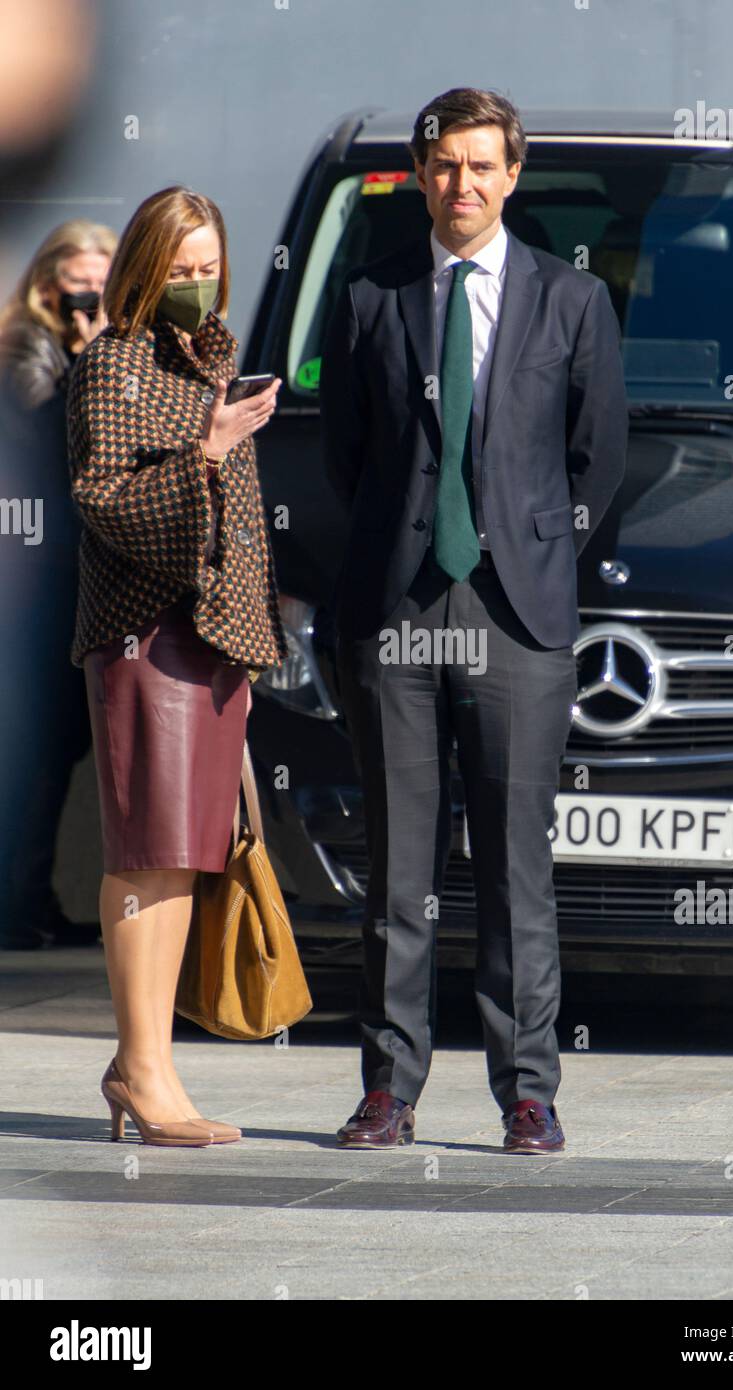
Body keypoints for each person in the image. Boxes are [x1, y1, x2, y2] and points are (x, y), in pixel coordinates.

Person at [320, 88, 628, 1153]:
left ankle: (527, 1092)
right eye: (443, 165)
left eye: (480, 165)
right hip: (395, 606)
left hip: (515, 613)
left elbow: (598, 459)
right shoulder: (370, 295)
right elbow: (347, 457)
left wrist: (534, 552)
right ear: (420, 175)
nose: (461, 183)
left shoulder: (569, 302)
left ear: (512, 175)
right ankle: (388, 1088)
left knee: (512, 869)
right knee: (398, 867)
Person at [66, 185, 288, 1146]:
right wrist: (207, 446)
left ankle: (145, 1065)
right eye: (182, 272)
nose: (200, 289)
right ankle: (142, 1070)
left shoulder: (213, 358)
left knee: (186, 861)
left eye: (212, 271)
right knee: (146, 857)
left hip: (215, 638)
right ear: (145, 272)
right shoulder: (110, 363)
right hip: (143, 633)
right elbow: (101, 497)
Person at [0, 220, 116, 949]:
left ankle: (29, 901)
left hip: (60, 580)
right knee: (42, 745)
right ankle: (17, 907)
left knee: (57, 746)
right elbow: (49, 433)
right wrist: (93, 352)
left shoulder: (56, 345)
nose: (92, 301)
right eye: (81, 284)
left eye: (106, 286)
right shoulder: (22, 348)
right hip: (38, 584)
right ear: (47, 284)